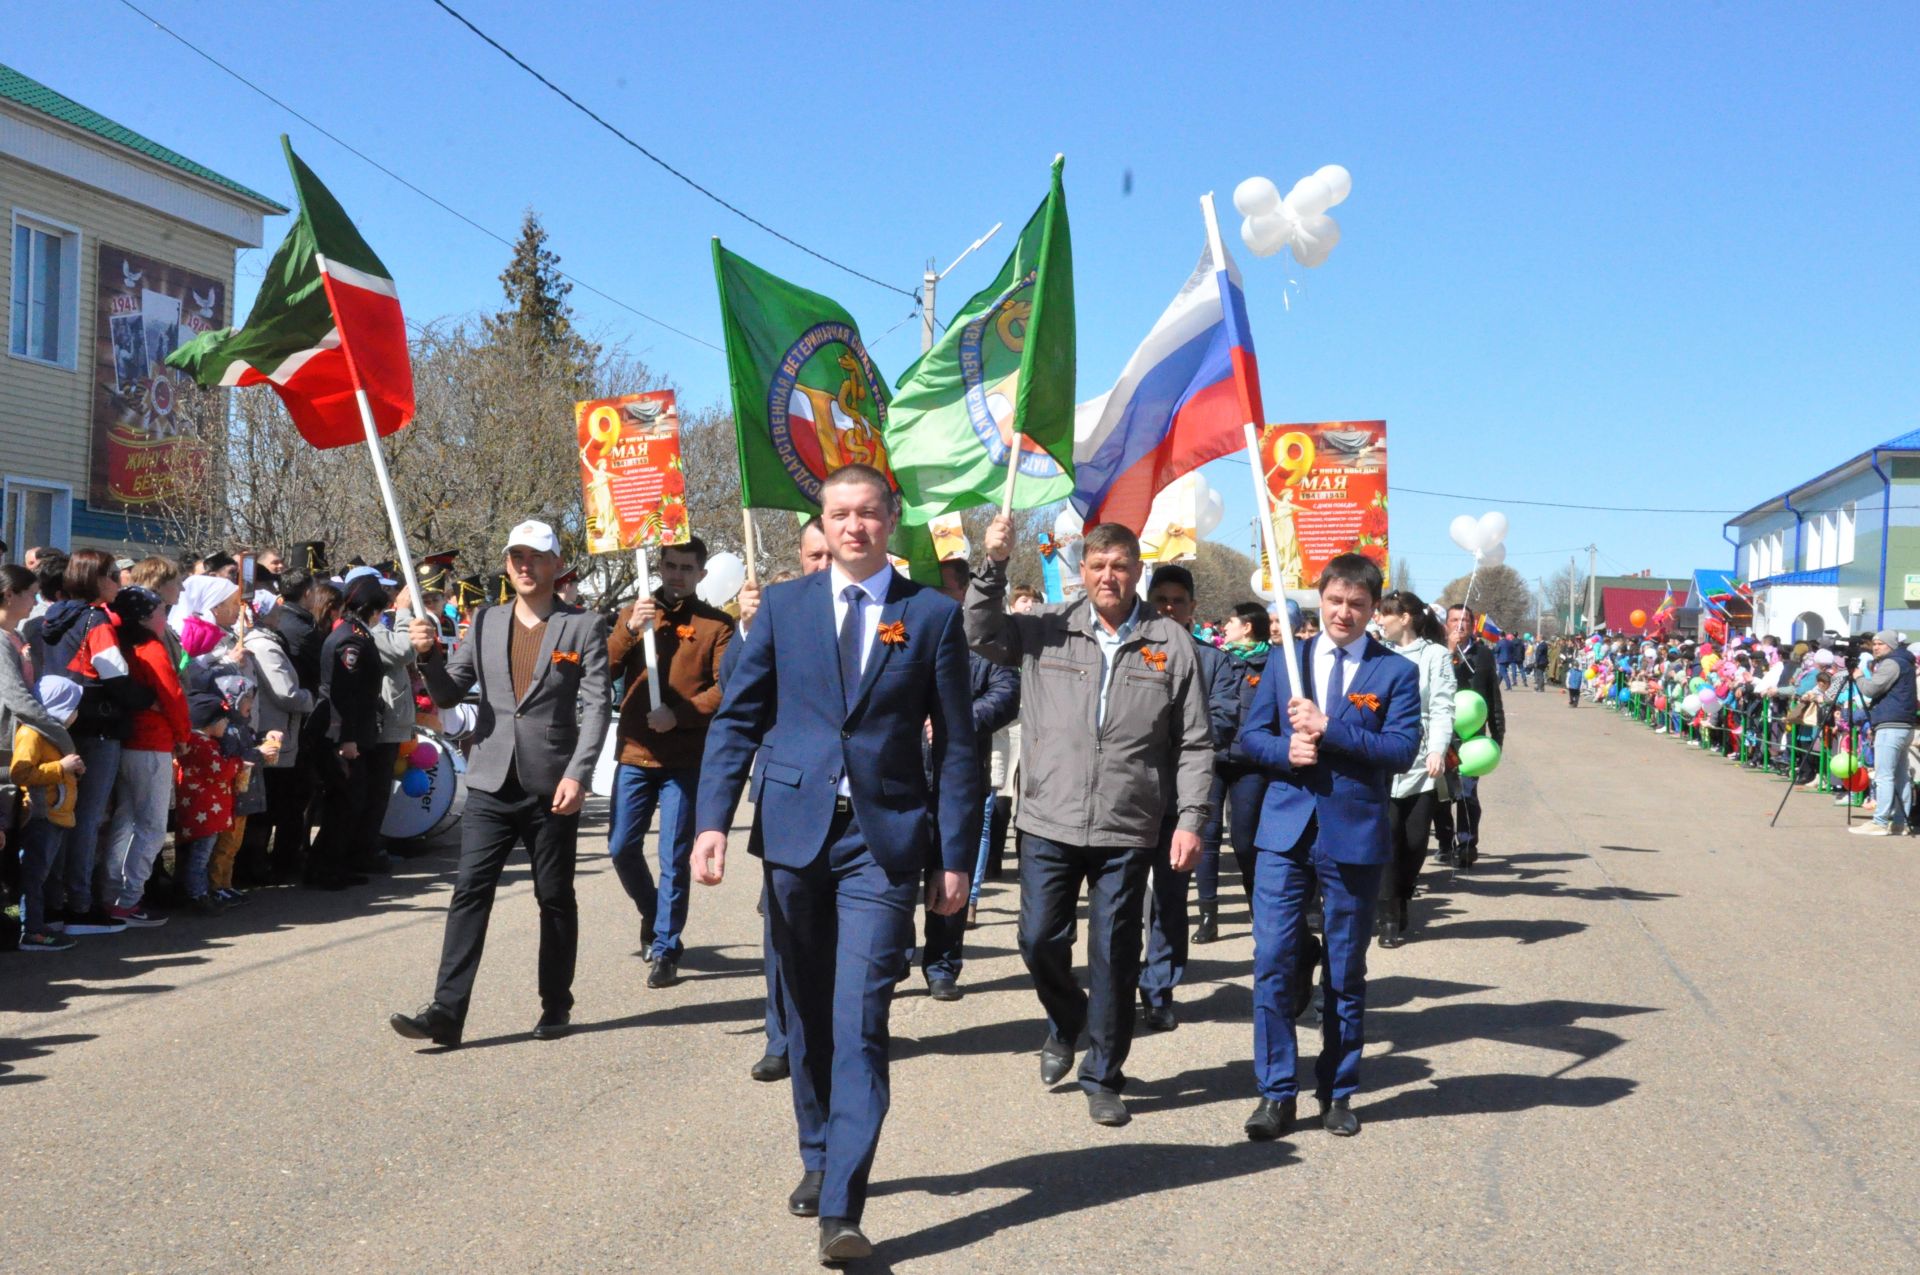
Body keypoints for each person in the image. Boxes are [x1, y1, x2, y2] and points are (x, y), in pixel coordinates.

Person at [690, 466, 977, 1264]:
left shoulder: (930, 617)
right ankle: (817, 1152)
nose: (854, 526)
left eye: (868, 513)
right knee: (807, 1013)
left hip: (881, 843)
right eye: (839, 514)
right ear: (825, 520)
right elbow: (737, 720)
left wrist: (955, 856)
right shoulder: (784, 607)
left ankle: (843, 1206)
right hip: (793, 833)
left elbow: (957, 747)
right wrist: (711, 820)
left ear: (891, 520)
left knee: (859, 1018)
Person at [966, 516, 1212, 1129]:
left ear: (1137, 572)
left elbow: (1196, 744)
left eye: (1121, 566)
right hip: (1049, 815)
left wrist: (1192, 820)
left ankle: (1103, 1072)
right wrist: (992, 566)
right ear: (1083, 570)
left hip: (1128, 825)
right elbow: (977, 630)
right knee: (1036, 939)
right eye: (1098, 565)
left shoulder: (1169, 642)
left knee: (1114, 952)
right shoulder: (1045, 627)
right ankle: (1067, 1017)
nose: (1109, 576)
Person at [391, 520, 611, 1048]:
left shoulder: (582, 627)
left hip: (550, 786)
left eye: (535, 556)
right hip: (490, 781)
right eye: (516, 556)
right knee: (470, 891)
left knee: (553, 897)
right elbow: (448, 696)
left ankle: (556, 1003)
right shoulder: (485, 620)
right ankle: (447, 1011)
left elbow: (598, 705)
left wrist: (579, 775)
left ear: (557, 565)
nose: (524, 565)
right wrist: (427, 657)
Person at [1235, 553, 1420, 1140]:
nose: (1344, 613)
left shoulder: (1394, 673)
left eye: (1358, 605)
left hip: (1353, 836)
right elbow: (1250, 738)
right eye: (1336, 601)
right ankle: (1275, 1093)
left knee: (1345, 968)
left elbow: (1399, 751)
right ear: (1321, 599)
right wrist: (1283, 751)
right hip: (1285, 834)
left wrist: (1327, 729)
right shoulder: (1285, 661)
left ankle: (1337, 1091)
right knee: (1272, 962)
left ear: (1374, 610)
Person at [606, 535, 734, 987]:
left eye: (686, 568)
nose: (677, 574)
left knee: (674, 857)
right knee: (621, 846)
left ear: (700, 574)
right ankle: (651, 909)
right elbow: (602, 669)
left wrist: (678, 715)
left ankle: (666, 946)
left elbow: (724, 689)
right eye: (670, 565)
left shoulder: (717, 625)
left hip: (684, 758)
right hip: (636, 753)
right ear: (659, 565)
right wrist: (627, 628)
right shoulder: (636, 612)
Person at [732, 516, 830, 1084]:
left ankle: (834, 1029)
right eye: (811, 555)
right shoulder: (778, 613)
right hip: (786, 797)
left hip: (847, 803)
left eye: (827, 555)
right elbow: (736, 697)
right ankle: (781, 1036)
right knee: (780, 926)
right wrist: (746, 632)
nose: (821, 564)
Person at [1137, 563, 1237, 1031]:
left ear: (1193, 608)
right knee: (1120, 896)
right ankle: (1119, 982)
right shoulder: (1131, 650)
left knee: (1170, 896)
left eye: (1178, 601)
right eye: (1161, 600)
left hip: (1184, 797)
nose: (1169, 608)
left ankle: (1159, 989)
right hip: (1131, 792)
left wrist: (1180, 736)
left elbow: (1222, 720)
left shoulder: (1214, 662)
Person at [921, 556, 1019, 1001]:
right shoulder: (903, 631)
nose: (934, 595)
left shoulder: (981, 643)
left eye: (943, 588)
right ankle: (893, 951)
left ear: (962, 592)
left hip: (957, 776)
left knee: (950, 873)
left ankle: (942, 964)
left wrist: (957, 720)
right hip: (900, 778)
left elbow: (1008, 693)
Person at [39, 550, 145, 935]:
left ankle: (50, 904)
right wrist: (147, 699)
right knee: (87, 819)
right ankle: (79, 905)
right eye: (114, 575)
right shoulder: (96, 619)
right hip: (98, 728)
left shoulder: (52, 615)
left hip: (58, 725)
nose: (120, 582)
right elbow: (113, 675)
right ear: (96, 579)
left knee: (59, 816)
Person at [99, 586, 189, 927]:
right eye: (160, 611)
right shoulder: (150, 648)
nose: (165, 616)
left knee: (125, 820)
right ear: (145, 617)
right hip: (152, 742)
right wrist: (182, 736)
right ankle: (127, 899)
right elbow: (173, 695)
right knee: (150, 824)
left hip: (128, 741)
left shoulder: (121, 644)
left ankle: (112, 895)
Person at [1373, 591, 1457, 947]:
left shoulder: (1435, 655)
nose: (1378, 621)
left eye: (1384, 615)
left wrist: (1438, 749)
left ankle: (1403, 894)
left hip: (1422, 759)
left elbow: (1441, 706)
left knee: (1414, 840)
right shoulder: (1377, 654)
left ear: (1404, 617)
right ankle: (1388, 915)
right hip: (1382, 754)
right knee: (1387, 837)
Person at [309, 576, 387, 891]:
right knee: (344, 803)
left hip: (352, 729)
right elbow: (344, 692)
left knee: (350, 802)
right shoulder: (350, 640)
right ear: (370, 609)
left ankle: (335, 864)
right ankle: (324, 868)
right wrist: (347, 737)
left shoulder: (355, 634)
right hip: (341, 733)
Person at [1203, 601, 1276, 927]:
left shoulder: (1273, 664)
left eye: (1231, 622)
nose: (1225, 627)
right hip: (1213, 760)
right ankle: (1208, 914)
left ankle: (1256, 904)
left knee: (1245, 840)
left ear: (1246, 626)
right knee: (1207, 836)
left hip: (1251, 764)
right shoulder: (1218, 659)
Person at [11, 675, 86, 952]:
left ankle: (41, 924)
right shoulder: (32, 734)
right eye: (73, 707)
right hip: (41, 816)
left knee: (44, 875)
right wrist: (61, 768)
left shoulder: (55, 736)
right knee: (34, 875)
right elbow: (21, 772)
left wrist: (71, 768)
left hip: (57, 816)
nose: (77, 714)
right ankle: (31, 931)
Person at [1433, 604, 1504, 870]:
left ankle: (1466, 845)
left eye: (1465, 621)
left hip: (1472, 738)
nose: (1459, 625)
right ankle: (1443, 842)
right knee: (1440, 795)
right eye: (1454, 620)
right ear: (1446, 624)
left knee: (1467, 794)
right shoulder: (1437, 652)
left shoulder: (1484, 655)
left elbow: (1493, 698)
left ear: (1473, 626)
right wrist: (1449, 653)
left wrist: (1498, 736)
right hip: (1442, 735)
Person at [175, 679, 247, 915]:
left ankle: (191, 891)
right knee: (201, 855)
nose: (227, 724)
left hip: (199, 806)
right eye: (224, 719)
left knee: (194, 853)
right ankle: (198, 895)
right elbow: (221, 771)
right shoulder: (204, 746)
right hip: (206, 810)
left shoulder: (192, 743)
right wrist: (238, 763)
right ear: (211, 722)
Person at [1850, 629, 1916, 836]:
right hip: (1903, 725)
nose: (1876, 647)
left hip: (1891, 724)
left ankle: (1879, 821)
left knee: (1885, 775)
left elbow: (1871, 689)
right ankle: (1899, 822)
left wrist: (1859, 677)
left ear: (1891, 645)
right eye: (1874, 643)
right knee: (1901, 776)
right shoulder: (1905, 662)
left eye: (1880, 643)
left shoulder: (1891, 663)